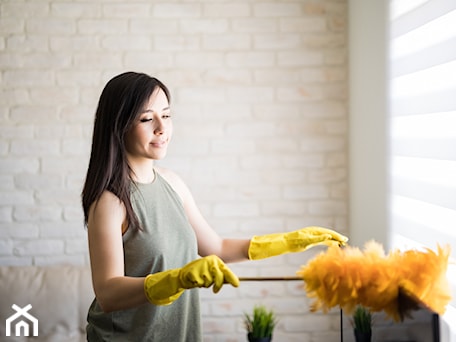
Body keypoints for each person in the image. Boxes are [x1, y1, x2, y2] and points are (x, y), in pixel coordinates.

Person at [81, 71, 348, 341]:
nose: (162, 127)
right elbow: (108, 293)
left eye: (167, 115)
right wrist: (178, 279)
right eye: (147, 118)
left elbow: (216, 248)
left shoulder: (172, 183)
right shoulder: (109, 202)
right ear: (119, 125)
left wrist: (289, 242)